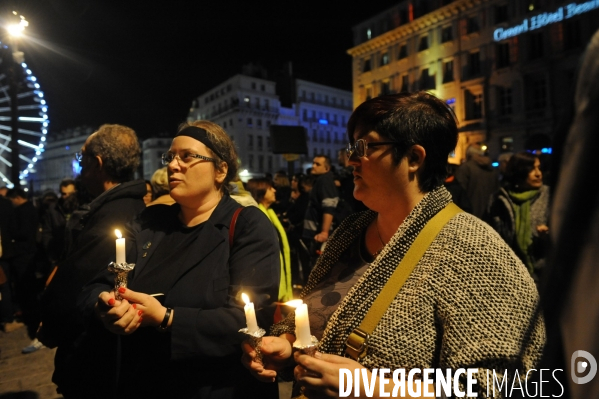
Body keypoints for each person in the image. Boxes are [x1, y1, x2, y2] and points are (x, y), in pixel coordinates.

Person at [242, 92, 545, 397]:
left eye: (365, 147)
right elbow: (313, 317)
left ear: (414, 158)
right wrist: (288, 343)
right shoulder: (350, 231)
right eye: (352, 147)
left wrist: (372, 388)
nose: (351, 159)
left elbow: (504, 385)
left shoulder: (472, 248)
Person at [77, 121, 280, 399]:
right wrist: (107, 306)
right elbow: (95, 285)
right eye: (170, 157)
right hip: (144, 382)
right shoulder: (150, 222)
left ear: (220, 170)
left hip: (216, 387)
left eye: (187, 157)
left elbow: (254, 317)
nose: (173, 165)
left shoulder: (247, 225)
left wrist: (166, 318)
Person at [39, 124, 147, 397]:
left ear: (97, 163)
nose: (80, 165)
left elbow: (74, 288)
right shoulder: (131, 206)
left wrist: (49, 324)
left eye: (82, 158)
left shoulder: (109, 220)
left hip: (94, 359)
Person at [485, 152, 550, 281]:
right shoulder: (499, 199)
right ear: (519, 172)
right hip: (510, 276)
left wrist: (549, 235)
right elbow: (489, 235)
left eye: (539, 168)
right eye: (532, 169)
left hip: (543, 275)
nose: (538, 173)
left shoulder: (549, 196)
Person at [246, 177, 292, 302]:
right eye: (270, 188)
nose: (274, 190)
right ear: (260, 192)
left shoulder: (270, 213)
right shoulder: (256, 217)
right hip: (266, 285)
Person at [455, 144, 499, 218]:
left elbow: (459, 192)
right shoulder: (491, 170)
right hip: (489, 214)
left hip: (470, 213)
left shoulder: (466, 168)